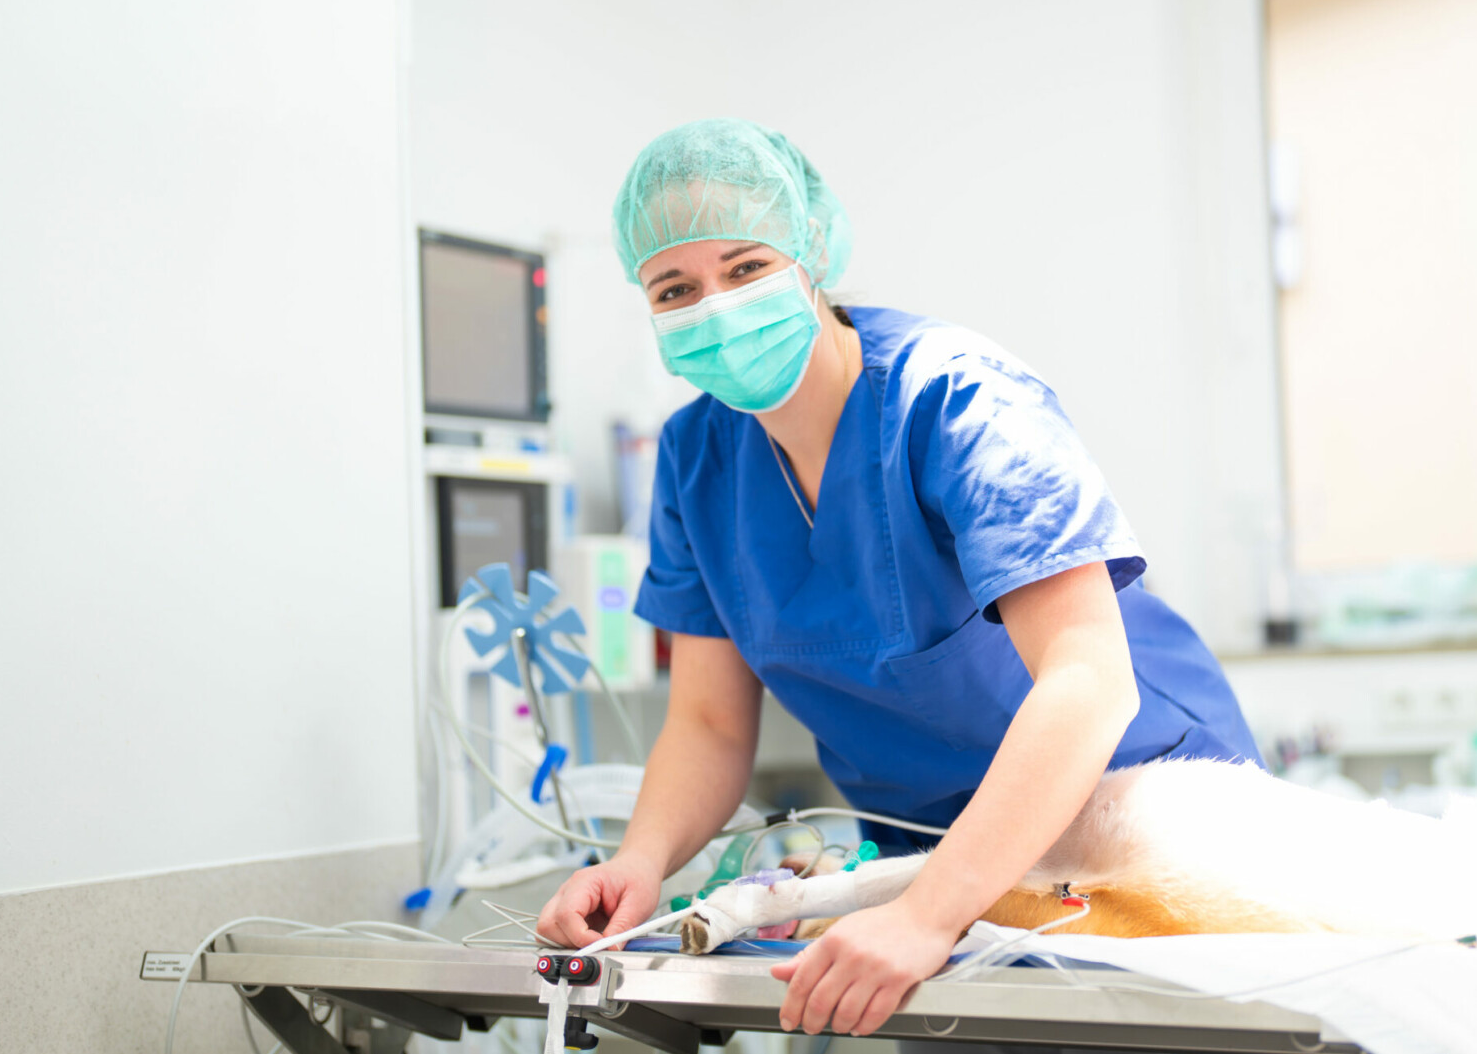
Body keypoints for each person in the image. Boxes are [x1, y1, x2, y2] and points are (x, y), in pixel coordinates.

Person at [537, 118, 1260, 1040]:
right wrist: (639, 863)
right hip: (939, 860)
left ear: (813, 253)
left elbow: (1087, 683)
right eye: (676, 287)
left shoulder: (959, 401)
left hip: (1141, 815)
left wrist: (928, 915)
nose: (714, 305)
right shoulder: (693, 460)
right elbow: (711, 721)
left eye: (747, 267)